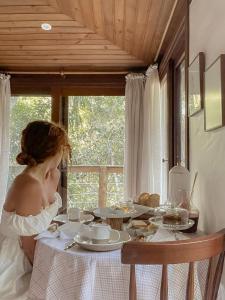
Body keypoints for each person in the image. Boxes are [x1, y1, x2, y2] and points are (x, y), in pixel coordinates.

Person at [0, 120, 71, 300]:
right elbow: (27, 245)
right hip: (15, 261)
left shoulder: (53, 175)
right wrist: (47, 274)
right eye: (64, 148)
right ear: (54, 150)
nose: (64, 153)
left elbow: (42, 221)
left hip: (38, 247)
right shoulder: (28, 184)